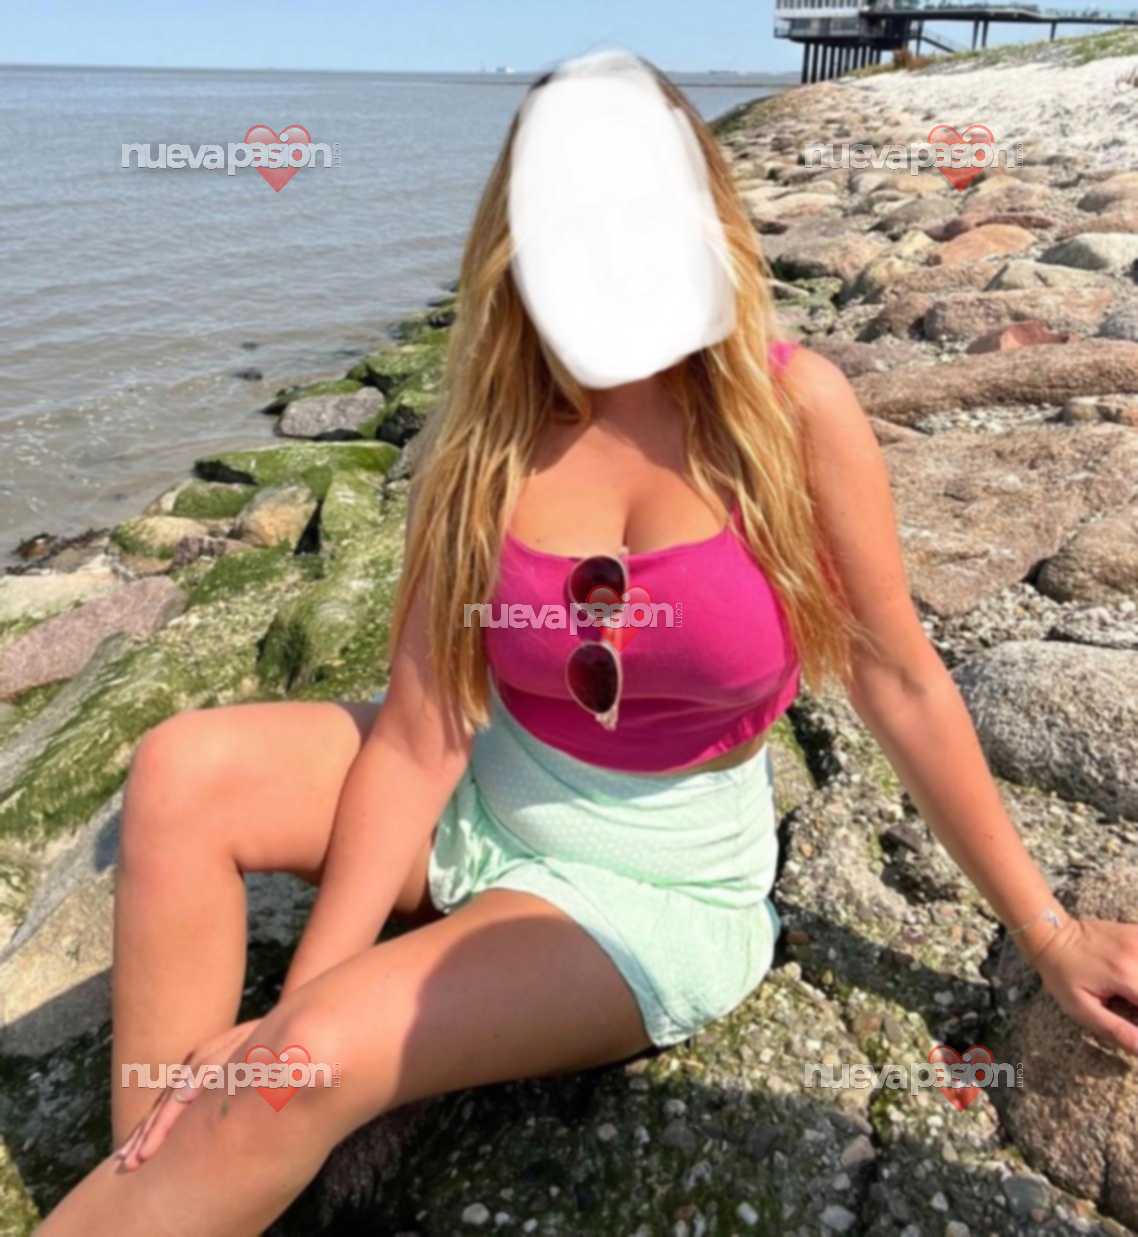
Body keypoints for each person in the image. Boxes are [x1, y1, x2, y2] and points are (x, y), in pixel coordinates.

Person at [39, 48, 1138, 1237]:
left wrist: (1048, 933)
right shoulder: (486, 443)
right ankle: (161, 1164)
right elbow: (418, 735)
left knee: (300, 1061)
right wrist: (307, 989)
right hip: (486, 797)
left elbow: (899, 680)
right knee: (182, 770)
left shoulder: (791, 411)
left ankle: (207, 1155)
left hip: (648, 887)